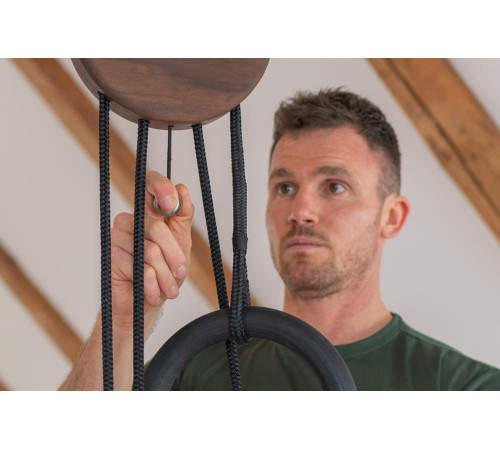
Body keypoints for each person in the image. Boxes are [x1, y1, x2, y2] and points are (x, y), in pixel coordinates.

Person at [60, 88, 500, 391]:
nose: (300, 210)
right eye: (285, 187)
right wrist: (122, 320)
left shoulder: (466, 390)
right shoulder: (197, 370)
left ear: (392, 217)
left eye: (334, 186)